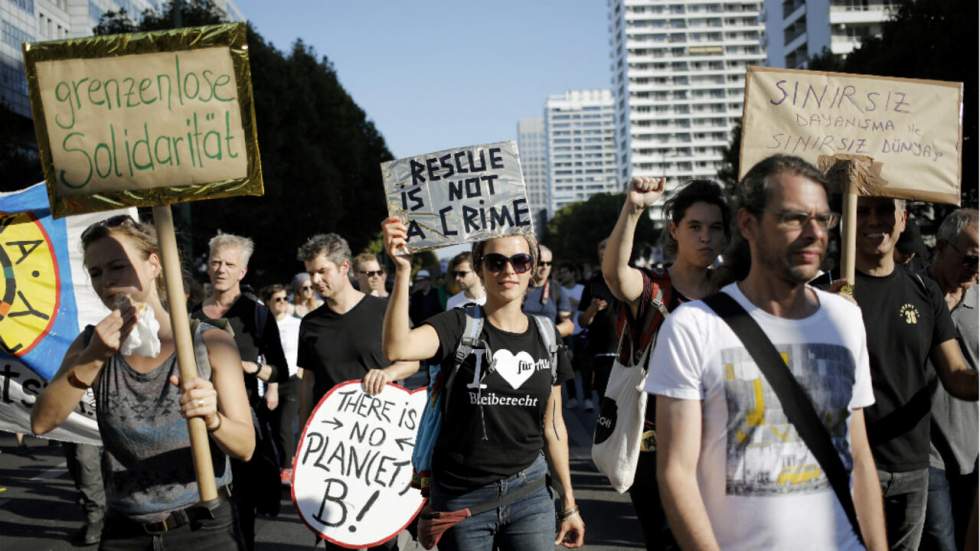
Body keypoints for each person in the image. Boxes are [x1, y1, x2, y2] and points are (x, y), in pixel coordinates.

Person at [648, 155, 888, 550]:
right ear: (748, 224)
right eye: (794, 218)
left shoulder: (846, 319)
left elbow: (859, 456)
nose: (814, 233)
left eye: (823, 219)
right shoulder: (693, 327)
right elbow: (676, 472)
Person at [31, 215, 254, 550]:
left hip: (202, 528)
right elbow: (41, 422)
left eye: (117, 266)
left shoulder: (209, 342)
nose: (106, 281)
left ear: (153, 264)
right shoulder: (90, 343)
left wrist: (213, 418)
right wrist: (93, 357)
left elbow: (245, 446)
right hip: (125, 532)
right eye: (95, 273)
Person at [379, 218, 586, 551]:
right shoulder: (458, 324)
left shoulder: (547, 335)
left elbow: (554, 427)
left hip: (529, 494)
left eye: (520, 261)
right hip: (462, 499)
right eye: (496, 261)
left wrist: (570, 504)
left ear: (532, 269)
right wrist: (402, 272)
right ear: (479, 267)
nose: (509, 270)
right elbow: (397, 348)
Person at [601, 177, 730, 550]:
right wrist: (634, 208)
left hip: (718, 443)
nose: (705, 237)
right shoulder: (653, 289)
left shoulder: (732, 294)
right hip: (657, 447)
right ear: (674, 230)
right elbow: (614, 274)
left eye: (715, 228)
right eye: (695, 227)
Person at [852, 197, 978, 551]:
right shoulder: (828, 290)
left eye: (884, 211)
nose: (874, 221)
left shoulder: (924, 292)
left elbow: (956, 375)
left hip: (914, 468)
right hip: (857, 467)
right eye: (863, 211)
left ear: (903, 219)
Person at [294, 233, 418, 550]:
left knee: (381, 536)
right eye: (311, 273)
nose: (316, 279)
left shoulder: (384, 310)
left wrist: (388, 373)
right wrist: (303, 438)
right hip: (332, 447)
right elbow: (308, 381)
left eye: (322, 271)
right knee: (337, 537)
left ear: (345, 267)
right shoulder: (310, 324)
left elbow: (413, 361)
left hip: (379, 443)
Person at [193, 233, 289, 551]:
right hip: (195, 422)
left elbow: (280, 370)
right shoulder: (189, 315)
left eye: (229, 264)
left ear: (242, 272)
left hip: (241, 421)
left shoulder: (257, 315)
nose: (221, 269)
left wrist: (254, 369)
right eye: (216, 262)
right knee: (202, 504)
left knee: (241, 506)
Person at [920, 209, 979, 551]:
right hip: (927, 456)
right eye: (971, 259)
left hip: (974, 454)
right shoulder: (912, 296)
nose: (977, 270)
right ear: (941, 247)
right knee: (942, 544)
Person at [259, 284, 303, 485]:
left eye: (286, 298)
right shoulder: (262, 325)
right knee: (272, 427)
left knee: (286, 425)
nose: (283, 303)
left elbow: (305, 348)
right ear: (268, 302)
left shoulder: (296, 324)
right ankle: (277, 465)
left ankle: (288, 467)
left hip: (292, 380)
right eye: (278, 299)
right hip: (267, 381)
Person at [578, 239, 617, 405]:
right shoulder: (592, 285)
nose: (605, 250)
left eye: (609, 247)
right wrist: (592, 309)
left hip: (629, 357)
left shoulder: (633, 279)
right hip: (601, 355)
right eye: (602, 247)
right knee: (606, 407)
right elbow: (582, 322)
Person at [523, 244, 574, 339]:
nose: (545, 267)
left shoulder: (556, 289)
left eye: (549, 263)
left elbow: (569, 326)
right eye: (541, 263)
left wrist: (545, 333)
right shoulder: (519, 287)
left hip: (547, 348)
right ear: (531, 264)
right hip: (522, 345)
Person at [64, 442, 106, 546]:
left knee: (85, 459)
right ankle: (100, 513)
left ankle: (95, 516)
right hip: (69, 427)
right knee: (73, 463)